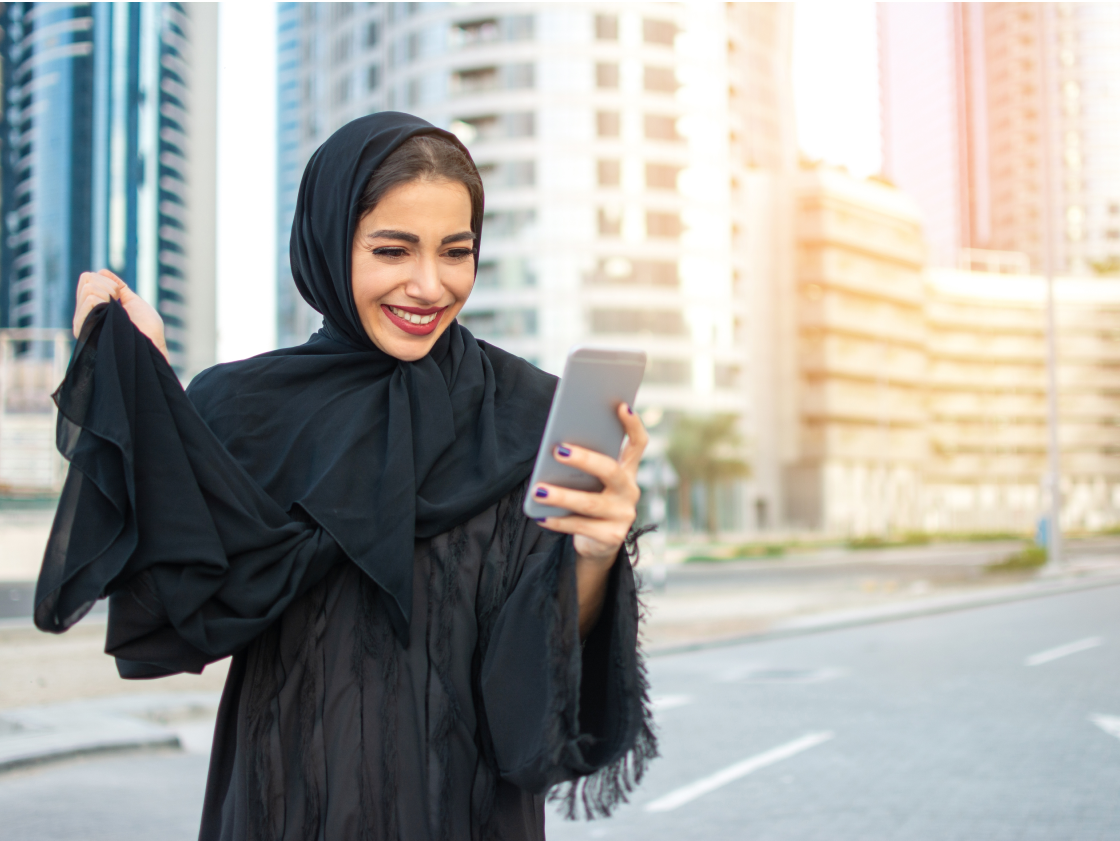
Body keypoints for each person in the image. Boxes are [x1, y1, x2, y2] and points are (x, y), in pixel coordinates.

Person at [35, 112, 655, 840]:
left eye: (456, 252)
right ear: (328, 242)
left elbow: (531, 680)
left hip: (465, 815)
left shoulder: (524, 415)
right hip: (284, 806)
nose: (430, 286)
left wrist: (593, 554)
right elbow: (179, 610)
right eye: (392, 250)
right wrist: (148, 393)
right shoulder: (243, 408)